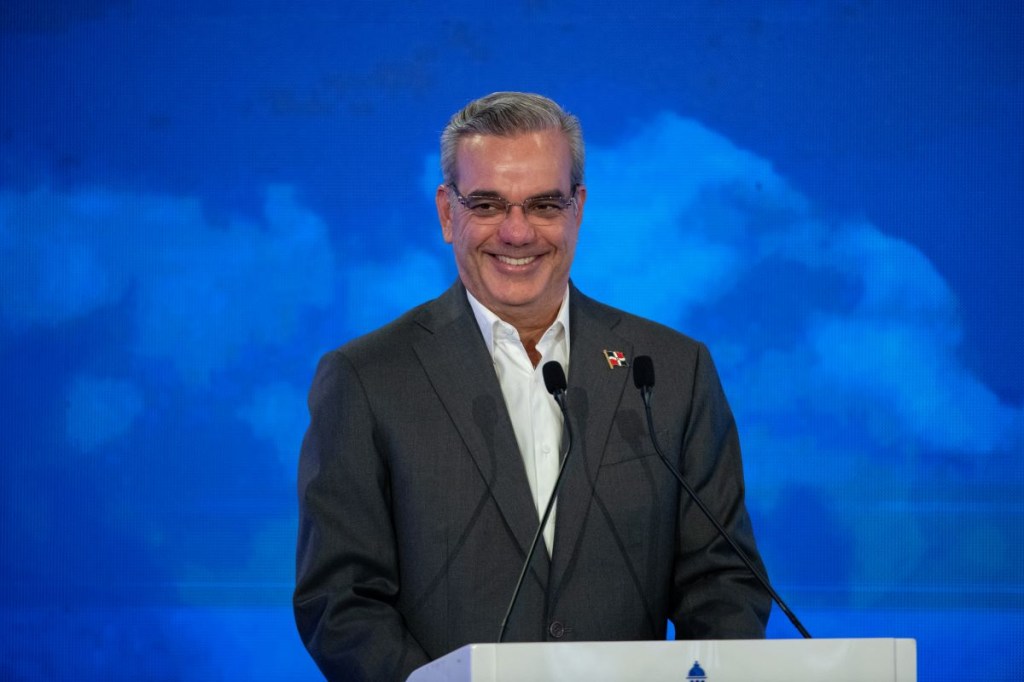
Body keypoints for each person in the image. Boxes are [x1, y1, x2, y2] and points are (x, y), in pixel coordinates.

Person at [294, 92, 771, 681]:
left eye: (544, 204)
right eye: (489, 205)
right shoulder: (368, 378)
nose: (517, 233)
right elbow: (340, 601)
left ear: (578, 210)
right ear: (447, 214)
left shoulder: (670, 369)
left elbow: (723, 579)